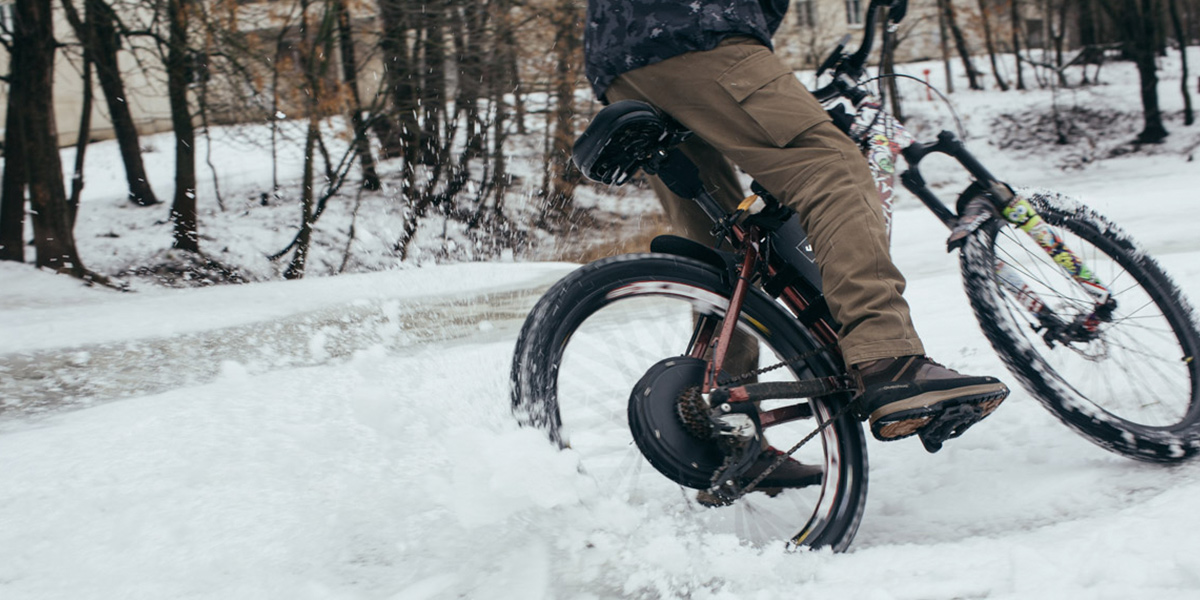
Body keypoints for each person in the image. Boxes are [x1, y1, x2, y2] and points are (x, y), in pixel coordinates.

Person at [583, 0, 1009, 474]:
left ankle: (732, 439)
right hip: (694, 29)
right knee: (831, 167)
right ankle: (887, 357)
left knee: (721, 246)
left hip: (617, 59)